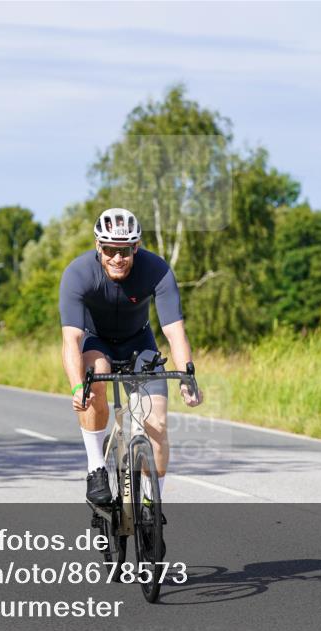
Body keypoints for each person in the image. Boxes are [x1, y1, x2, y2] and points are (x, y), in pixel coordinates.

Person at [59, 207, 202, 510]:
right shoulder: (79, 273)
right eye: (109, 249)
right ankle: (96, 467)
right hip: (96, 341)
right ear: (99, 246)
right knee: (95, 374)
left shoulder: (156, 270)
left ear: (136, 247)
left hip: (140, 343)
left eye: (124, 250)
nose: (117, 257)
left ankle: (153, 502)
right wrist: (76, 388)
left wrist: (187, 377)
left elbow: (175, 332)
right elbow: (70, 339)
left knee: (158, 423)